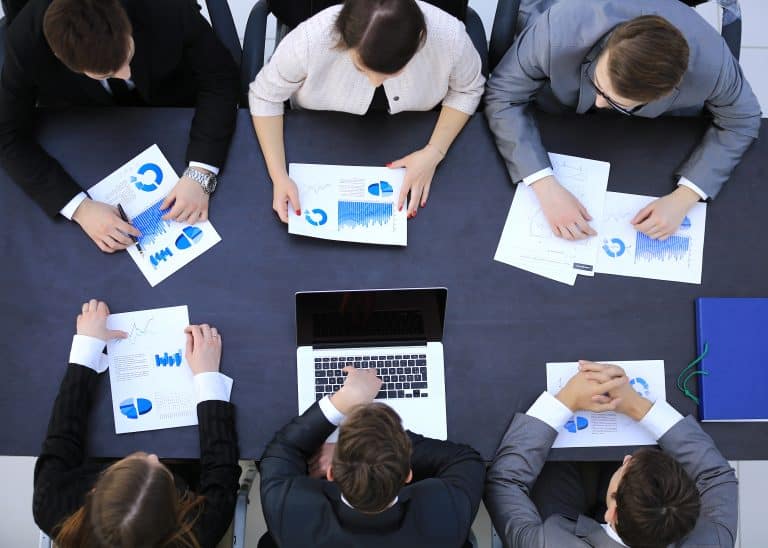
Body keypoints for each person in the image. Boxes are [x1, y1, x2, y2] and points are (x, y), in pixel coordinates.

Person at [485, 0, 761, 241]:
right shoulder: (557, 30)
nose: (598, 103)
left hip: (647, 137)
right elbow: (503, 95)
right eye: (599, 84)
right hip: (556, 106)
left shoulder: (711, 65)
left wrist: (685, 197)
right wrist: (544, 185)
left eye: (615, 101)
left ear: (665, 94)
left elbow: (742, 120)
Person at [0, 0, 240, 253]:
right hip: (90, 129)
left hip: (177, 107)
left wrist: (201, 172)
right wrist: (79, 208)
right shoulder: (27, 42)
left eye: (127, 54)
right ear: (62, 58)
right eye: (107, 74)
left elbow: (220, 78)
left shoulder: (166, 6)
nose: (126, 74)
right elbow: (7, 134)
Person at [249, 0, 485, 222]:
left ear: (420, 40)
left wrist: (434, 151)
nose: (375, 82)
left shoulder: (448, 36)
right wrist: (279, 175)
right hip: (318, 135)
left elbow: (468, 89)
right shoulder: (312, 38)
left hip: (416, 135)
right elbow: (265, 96)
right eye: (361, 68)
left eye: (392, 73)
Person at [32, 299, 241, 548]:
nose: (153, 456)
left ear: (95, 490)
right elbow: (222, 473)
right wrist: (208, 378)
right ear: (174, 519)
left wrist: (88, 346)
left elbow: (62, 438)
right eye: (162, 473)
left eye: (139, 462)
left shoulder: (51, 504)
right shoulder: (195, 535)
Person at [485, 361, 738, 547]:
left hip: (566, 527)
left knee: (552, 470)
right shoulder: (711, 541)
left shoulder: (549, 543)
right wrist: (637, 406)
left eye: (628, 465)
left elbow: (505, 482)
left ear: (612, 513)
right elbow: (716, 476)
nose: (626, 458)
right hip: (611, 520)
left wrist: (566, 400)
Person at [259, 366, 485, 547]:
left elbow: (282, 450)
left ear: (332, 473)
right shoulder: (446, 511)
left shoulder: (290, 510)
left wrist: (344, 401)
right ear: (407, 475)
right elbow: (465, 459)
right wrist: (384, 448)